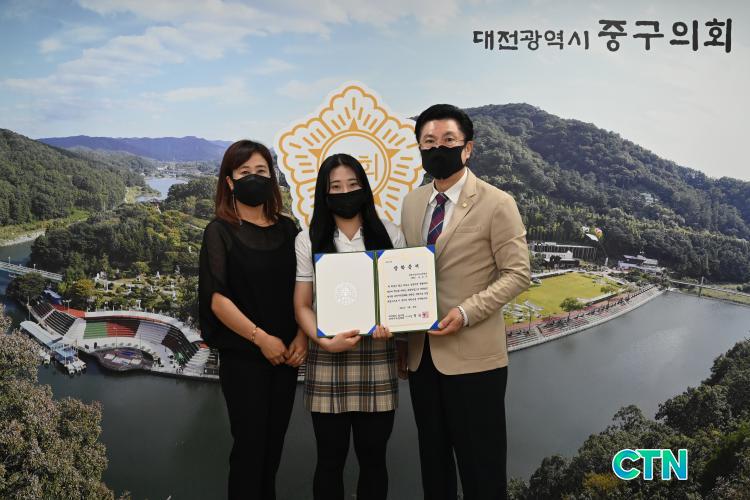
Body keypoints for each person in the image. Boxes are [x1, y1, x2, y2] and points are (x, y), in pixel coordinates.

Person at [400, 104, 531, 499]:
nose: (437, 148)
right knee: (433, 466)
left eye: (448, 140)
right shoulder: (412, 203)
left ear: (467, 148)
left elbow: (517, 273)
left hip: (475, 362)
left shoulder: (497, 202)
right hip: (423, 358)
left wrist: (466, 311)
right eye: (428, 141)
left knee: (482, 471)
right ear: (419, 148)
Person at [198, 140, 307, 500]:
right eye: (245, 172)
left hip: (286, 358)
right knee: (249, 451)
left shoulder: (289, 230)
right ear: (229, 181)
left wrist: (302, 337)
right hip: (245, 359)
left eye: (262, 171)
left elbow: (304, 288)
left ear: (272, 177)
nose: (254, 178)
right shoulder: (220, 231)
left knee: (272, 451)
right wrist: (262, 339)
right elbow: (217, 300)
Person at [294, 153, 405, 500]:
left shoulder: (390, 233)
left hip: (378, 355)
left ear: (365, 188)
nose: (345, 193)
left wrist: (396, 325)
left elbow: (400, 301)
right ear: (324, 193)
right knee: (330, 459)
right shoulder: (308, 238)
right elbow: (302, 305)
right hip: (328, 356)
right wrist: (323, 340)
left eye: (353, 185)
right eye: (336, 187)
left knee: (374, 459)